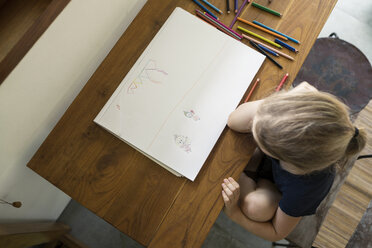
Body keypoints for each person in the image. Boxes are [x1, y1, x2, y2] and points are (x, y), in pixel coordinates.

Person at [221, 82, 367, 242]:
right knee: (242, 133)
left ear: (288, 161)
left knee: (256, 207)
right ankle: (242, 172)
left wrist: (235, 214)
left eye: (261, 138)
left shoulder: (306, 190)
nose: (253, 132)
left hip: (273, 186)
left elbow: (276, 232)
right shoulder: (298, 124)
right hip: (271, 161)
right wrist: (280, 104)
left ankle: (238, 174)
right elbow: (233, 121)